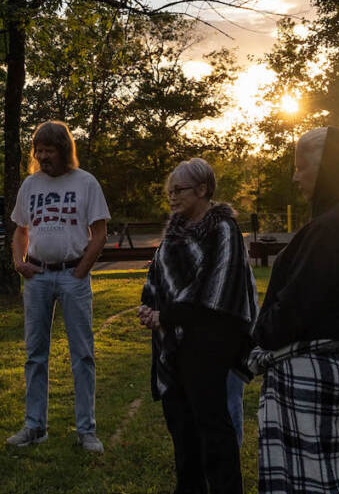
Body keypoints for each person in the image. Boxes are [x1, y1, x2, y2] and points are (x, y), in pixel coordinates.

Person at [251, 127, 339, 494]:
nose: (295, 176)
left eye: (302, 166)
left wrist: (261, 333)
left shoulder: (332, 228)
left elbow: (293, 311)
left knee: (311, 482)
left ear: (331, 166)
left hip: (316, 385)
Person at [139, 158, 258, 494]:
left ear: (203, 189)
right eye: (170, 192)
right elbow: (159, 277)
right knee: (180, 423)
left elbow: (216, 290)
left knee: (212, 426)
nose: (173, 198)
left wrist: (167, 315)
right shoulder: (175, 232)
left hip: (211, 342)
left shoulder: (224, 230)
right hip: (174, 341)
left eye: (179, 190)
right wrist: (150, 308)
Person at [6, 120, 111, 452]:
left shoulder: (86, 183)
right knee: (35, 355)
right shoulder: (30, 185)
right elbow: (20, 230)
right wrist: (18, 261)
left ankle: (86, 431)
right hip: (36, 276)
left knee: (82, 354)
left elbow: (100, 234)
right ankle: (35, 426)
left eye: (49, 150)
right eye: (38, 149)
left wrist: (80, 271)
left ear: (64, 150)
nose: (42, 155)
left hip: (72, 277)